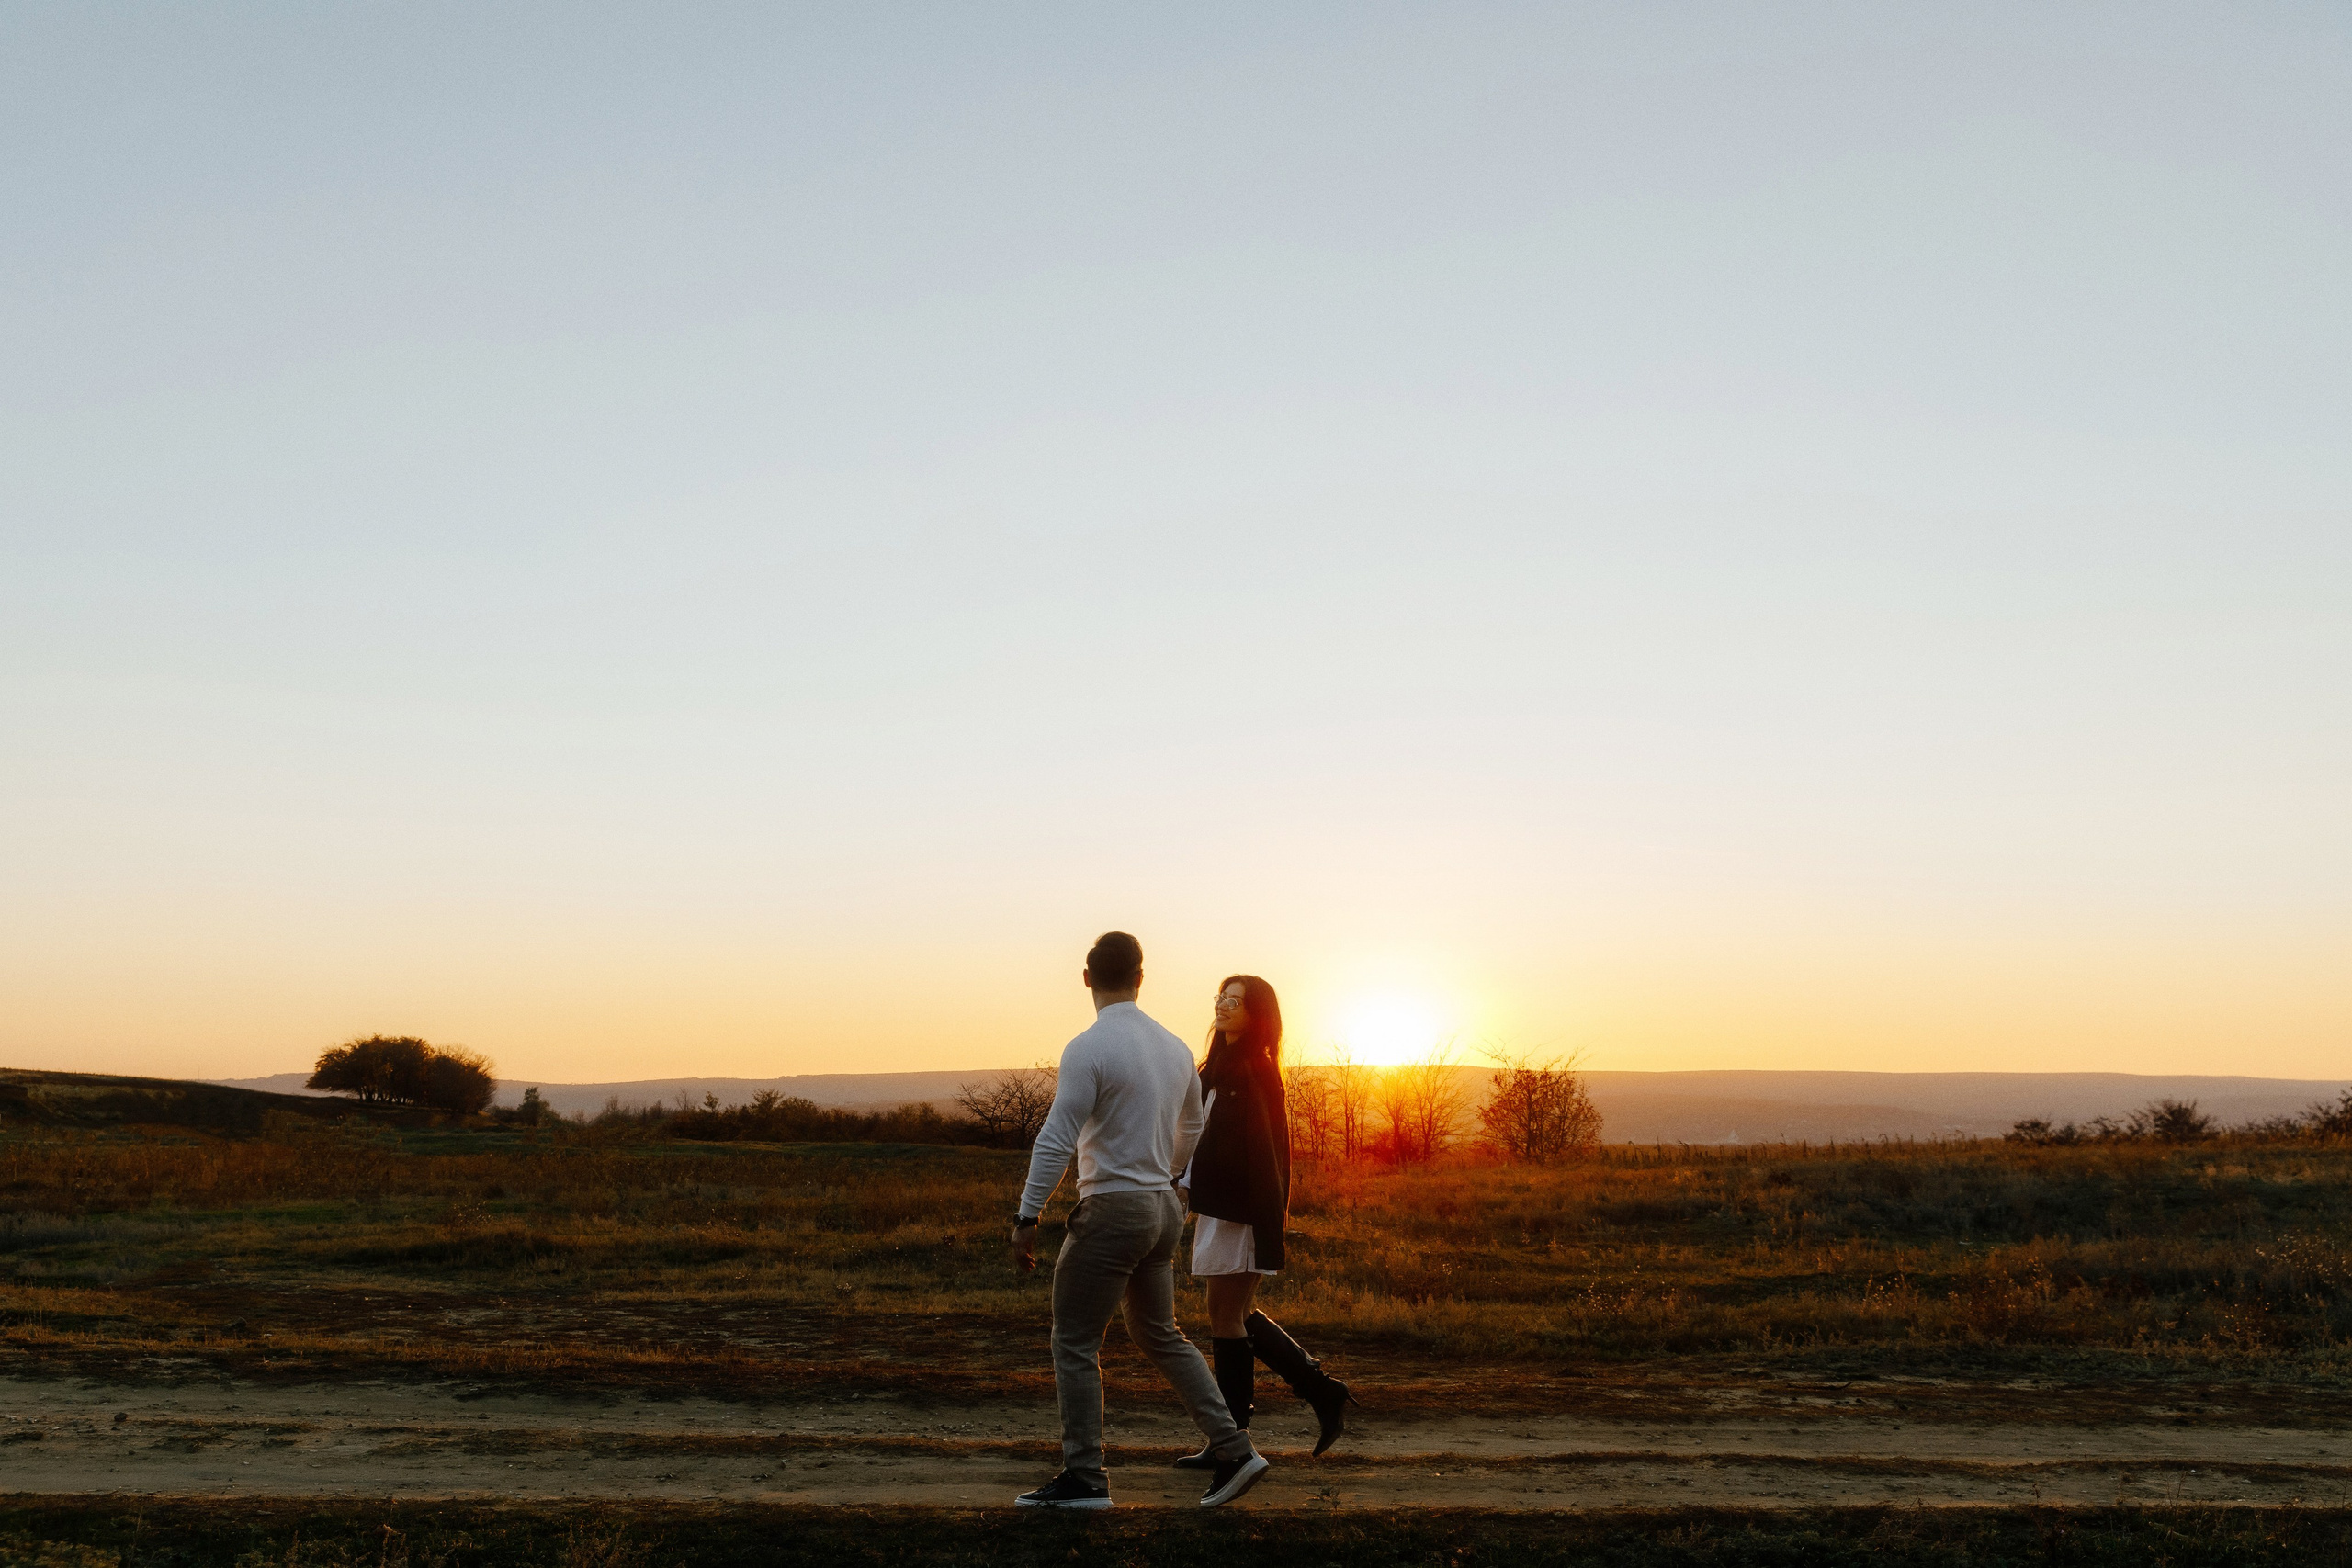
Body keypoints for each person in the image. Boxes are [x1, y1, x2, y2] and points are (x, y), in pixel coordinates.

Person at [1010, 931, 1270, 1511]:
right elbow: (1192, 1128)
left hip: (1113, 1210)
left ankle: (1085, 1479)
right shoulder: (1174, 1047)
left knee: (1074, 1342)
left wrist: (1028, 1215)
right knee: (1160, 1334)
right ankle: (1235, 1448)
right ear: (1141, 978)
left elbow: (1057, 1138)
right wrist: (1172, 1177)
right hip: (1160, 1211)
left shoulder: (1089, 1047)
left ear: (1086, 978)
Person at [1175, 975, 1354, 1463]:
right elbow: (1200, 1137)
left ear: (1258, 1015)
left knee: (1227, 1316)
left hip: (1240, 1210)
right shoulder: (1217, 1068)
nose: (1224, 1006)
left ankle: (1232, 1440)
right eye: (1221, 998)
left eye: (1236, 1001)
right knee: (1235, 1314)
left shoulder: (1254, 1071)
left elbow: (1264, 1156)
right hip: (1219, 1207)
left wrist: (1260, 1218)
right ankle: (1320, 1389)